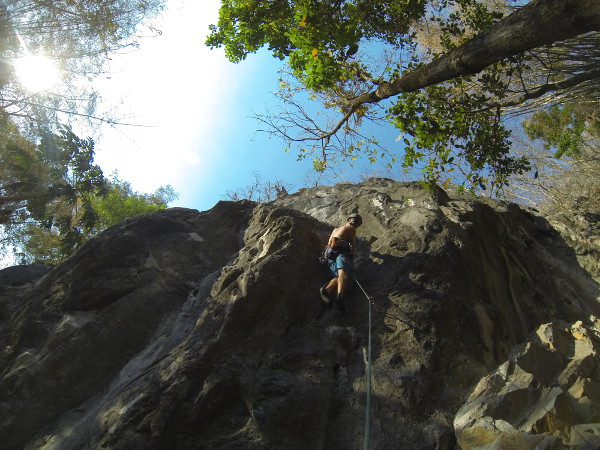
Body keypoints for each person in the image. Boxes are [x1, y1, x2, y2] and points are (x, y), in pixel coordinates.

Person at [320, 213, 362, 312]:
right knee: (343, 273)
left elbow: (329, 243)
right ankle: (340, 297)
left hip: (329, 254)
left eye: (358, 223)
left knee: (338, 277)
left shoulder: (336, 229)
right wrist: (351, 256)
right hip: (341, 252)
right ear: (349, 220)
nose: (356, 224)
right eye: (355, 220)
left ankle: (327, 290)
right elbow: (352, 244)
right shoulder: (351, 228)